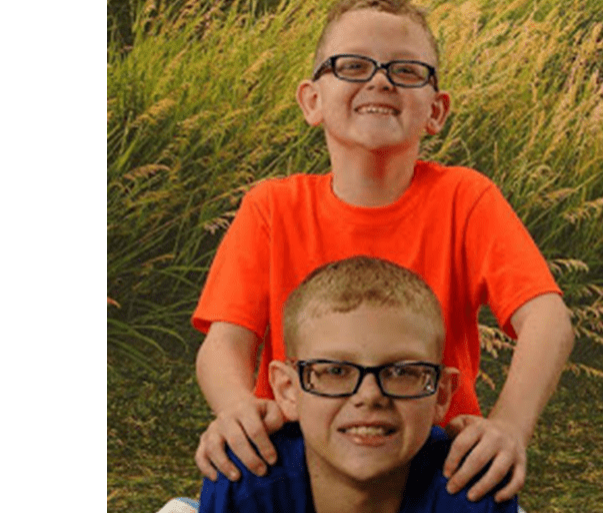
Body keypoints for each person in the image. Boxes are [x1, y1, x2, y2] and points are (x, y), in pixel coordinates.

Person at [193, 0, 574, 504]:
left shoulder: (466, 199)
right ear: (311, 101)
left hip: (430, 447)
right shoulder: (272, 207)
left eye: (406, 70)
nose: (380, 81)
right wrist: (237, 407)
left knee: (483, 493)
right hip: (302, 446)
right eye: (352, 66)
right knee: (241, 478)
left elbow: (549, 321)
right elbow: (224, 344)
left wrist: (507, 426)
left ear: (436, 109)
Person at [199, 256, 518, 512]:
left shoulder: (475, 486)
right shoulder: (244, 476)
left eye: (403, 372)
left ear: (441, 393)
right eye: (335, 371)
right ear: (286, 390)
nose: (370, 396)